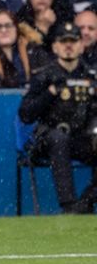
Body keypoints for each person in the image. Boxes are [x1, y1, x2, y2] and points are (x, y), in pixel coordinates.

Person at [20, 20, 97, 212]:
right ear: (55, 47)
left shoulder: (91, 77)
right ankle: (69, 204)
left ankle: (86, 200)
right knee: (58, 138)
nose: (68, 46)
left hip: (81, 139)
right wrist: (50, 93)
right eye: (64, 41)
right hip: (48, 140)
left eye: (73, 41)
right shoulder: (43, 76)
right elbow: (25, 114)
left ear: (81, 45)